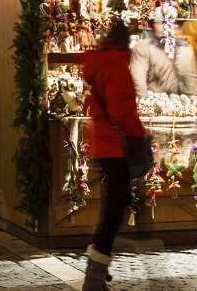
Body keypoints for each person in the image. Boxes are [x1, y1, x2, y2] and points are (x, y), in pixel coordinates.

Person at [81, 18, 147, 291]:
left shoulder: (101, 64)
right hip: (116, 145)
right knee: (114, 209)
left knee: (114, 206)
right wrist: (139, 134)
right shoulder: (116, 66)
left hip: (105, 143)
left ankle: (97, 270)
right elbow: (122, 111)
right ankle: (95, 275)